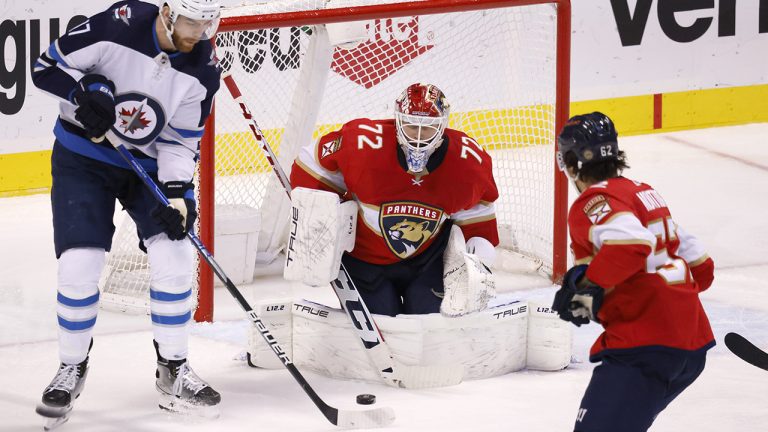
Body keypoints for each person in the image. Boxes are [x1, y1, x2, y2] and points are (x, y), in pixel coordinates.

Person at [31, 0, 222, 421]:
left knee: (175, 253)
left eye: (209, 22)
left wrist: (176, 194)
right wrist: (85, 92)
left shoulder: (203, 69)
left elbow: (179, 141)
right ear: (169, 11)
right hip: (84, 158)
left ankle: (174, 369)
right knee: (80, 264)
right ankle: (70, 367)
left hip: (149, 168)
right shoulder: (117, 26)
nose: (200, 33)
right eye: (193, 21)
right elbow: (45, 67)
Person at [551, 112, 716, 432]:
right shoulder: (642, 192)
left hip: (644, 347)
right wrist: (589, 300)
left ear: (571, 164)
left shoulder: (592, 201)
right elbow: (702, 268)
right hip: (690, 347)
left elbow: (631, 245)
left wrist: (585, 285)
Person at [289, 83, 500, 317]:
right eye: (411, 126)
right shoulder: (363, 144)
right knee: (381, 325)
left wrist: (478, 244)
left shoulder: (467, 163)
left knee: (428, 324)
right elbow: (311, 161)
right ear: (398, 121)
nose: (418, 137)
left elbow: (478, 211)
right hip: (362, 261)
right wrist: (318, 214)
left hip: (428, 262)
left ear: (443, 127)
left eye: (428, 128)